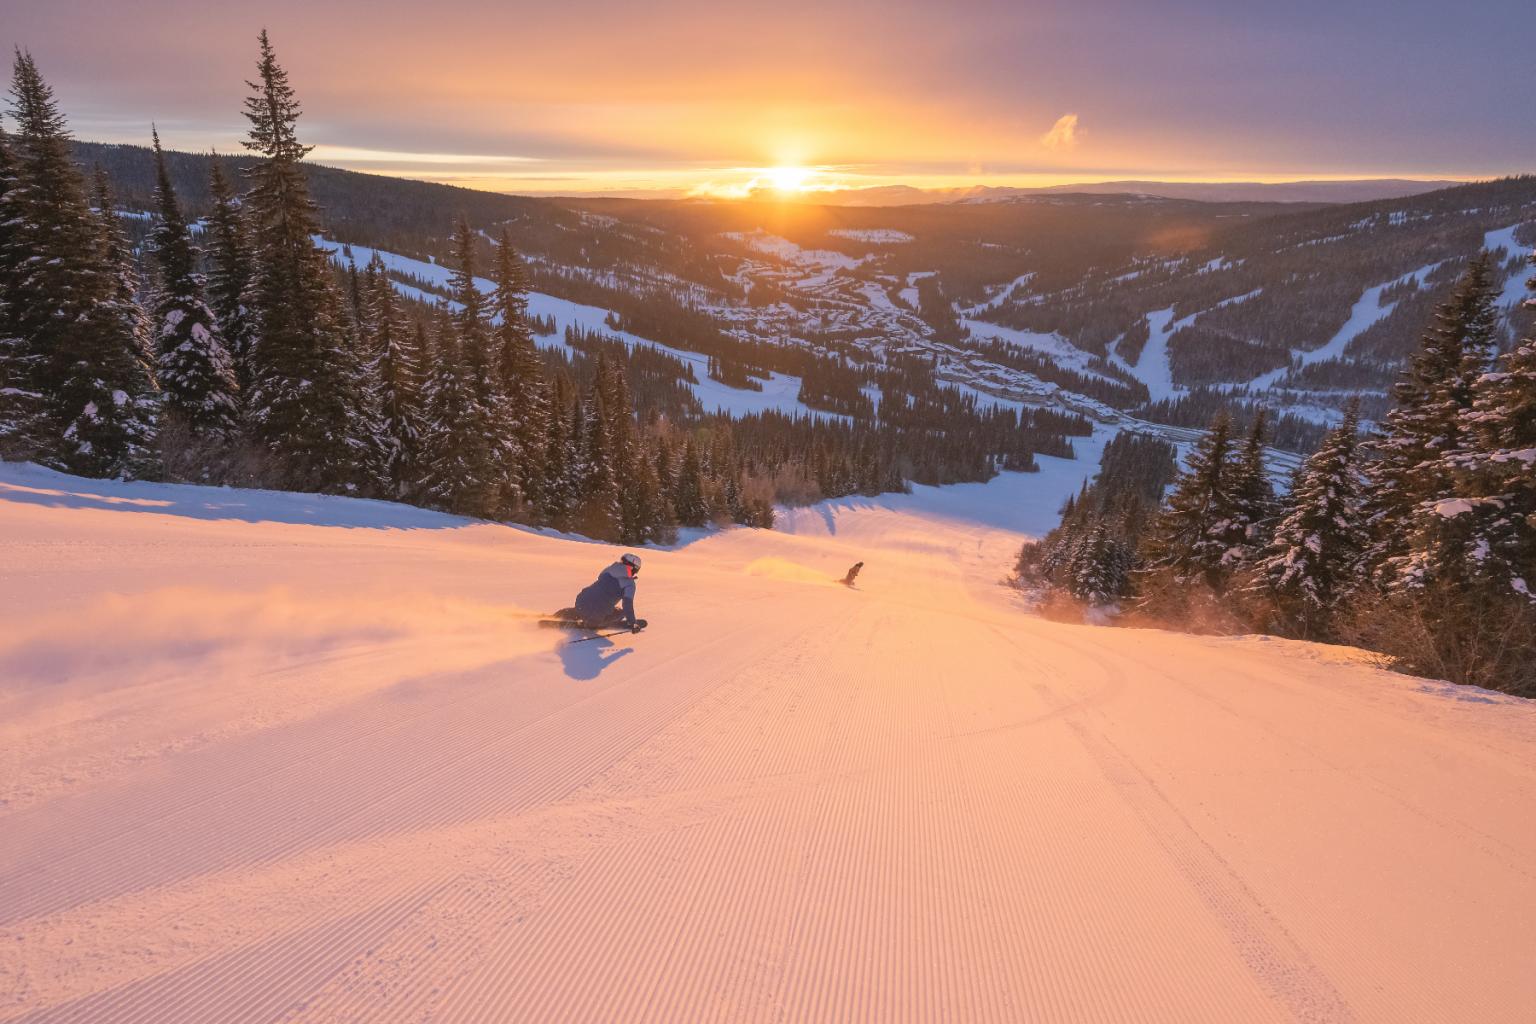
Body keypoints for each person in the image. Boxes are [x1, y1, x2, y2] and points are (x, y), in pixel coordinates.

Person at [569, 552, 647, 632]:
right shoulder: (630, 584)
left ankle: (577, 614)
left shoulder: (609, 569)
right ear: (635, 569)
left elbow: (600, 581)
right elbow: (627, 605)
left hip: (580, 603)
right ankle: (597, 622)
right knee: (621, 612)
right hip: (596, 616)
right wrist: (632, 623)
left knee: (592, 603)